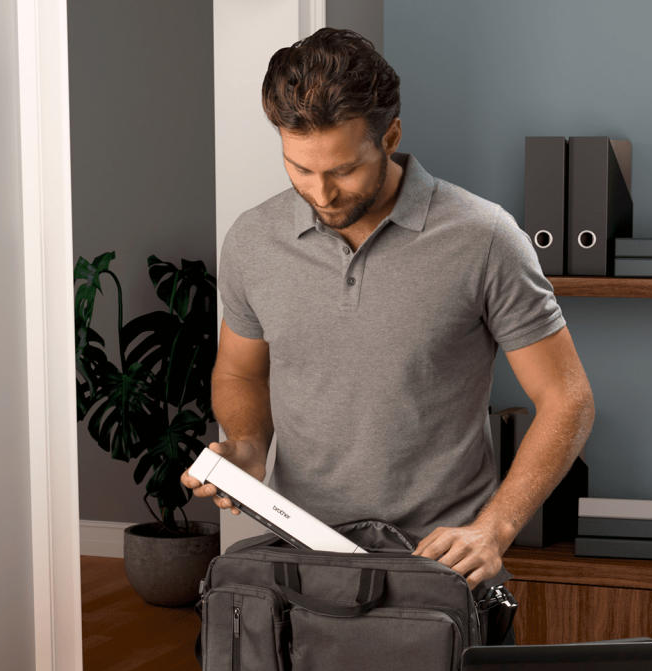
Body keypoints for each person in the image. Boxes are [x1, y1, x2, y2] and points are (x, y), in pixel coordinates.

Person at [181, 27, 594, 593]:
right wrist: (250, 445)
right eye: (300, 168)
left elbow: (567, 399)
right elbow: (239, 370)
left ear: (390, 135)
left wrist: (494, 529)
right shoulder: (253, 240)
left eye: (344, 170)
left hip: (438, 570)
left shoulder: (484, 238)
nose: (321, 194)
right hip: (300, 565)